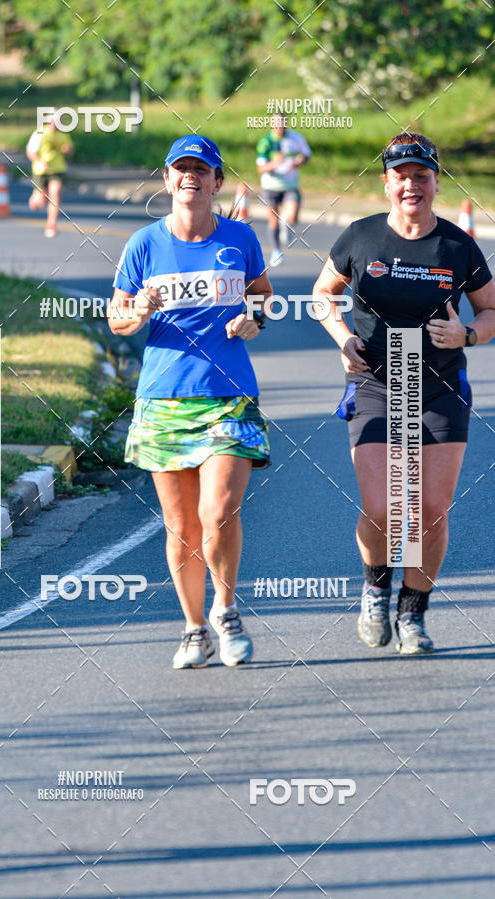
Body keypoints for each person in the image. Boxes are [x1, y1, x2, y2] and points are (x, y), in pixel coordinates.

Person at [312, 132, 495, 655]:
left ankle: (412, 612)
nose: (411, 185)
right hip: (374, 382)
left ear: (436, 181)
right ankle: (375, 585)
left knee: (431, 510)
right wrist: (344, 339)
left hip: (438, 387)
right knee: (383, 507)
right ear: (386, 182)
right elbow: (324, 295)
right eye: (401, 176)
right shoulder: (360, 237)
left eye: (421, 175)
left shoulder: (458, 245)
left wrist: (469, 334)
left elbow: (490, 310)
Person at [109, 135, 272, 669]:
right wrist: (141, 309)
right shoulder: (143, 245)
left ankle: (226, 609)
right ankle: (194, 627)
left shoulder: (241, 238)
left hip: (228, 397)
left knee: (218, 511)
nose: (190, 178)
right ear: (167, 178)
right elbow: (118, 319)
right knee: (181, 529)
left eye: (201, 170)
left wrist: (254, 319)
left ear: (216, 181)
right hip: (163, 398)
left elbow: (262, 295)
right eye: (181, 169)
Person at [256, 114, 311, 267]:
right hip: (271, 186)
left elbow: (307, 154)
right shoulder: (266, 142)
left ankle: (285, 224)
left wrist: (301, 160)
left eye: (282, 123)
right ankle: (276, 251)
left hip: (290, 185)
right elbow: (261, 168)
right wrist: (274, 163)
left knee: (292, 217)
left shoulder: (296, 138)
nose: (280, 127)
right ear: (272, 124)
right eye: (277, 124)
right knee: (273, 219)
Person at [25, 113, 73, 237]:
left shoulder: (63, 134)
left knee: (55, 193)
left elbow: (70, 149)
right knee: (40, 201)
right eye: (54, 120)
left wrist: (67, 150)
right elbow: (30, 152)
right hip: (41, 171)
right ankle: (35, 199)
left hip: (57, 169)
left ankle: (51, 225)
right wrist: (40, 161)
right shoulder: (39, 133)